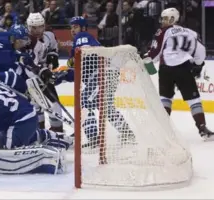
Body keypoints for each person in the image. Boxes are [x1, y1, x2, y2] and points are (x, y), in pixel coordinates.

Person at [59, 16, 135, 146]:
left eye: (75, 26)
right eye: (71, 27)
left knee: (84, 102)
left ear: (83, 28)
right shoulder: (82, 41)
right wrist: (62, 75)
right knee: (106, 107)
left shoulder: (82, 36)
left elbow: (85, 52)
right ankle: (127, 133)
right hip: (109, 74)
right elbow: (76, 71)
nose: (73, 29)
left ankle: (93, 137)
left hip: (100, 74)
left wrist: (69, 66)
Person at [144, 7, 214, 141]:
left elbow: (155, 52)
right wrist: (198, 64)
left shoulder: (162, 32)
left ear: (172, 19)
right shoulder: (190, 32)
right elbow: (200, 51)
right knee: (194, 100)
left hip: (166, 69)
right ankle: (202, 128)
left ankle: (162, 131)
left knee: (165, 98)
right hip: (184, 69)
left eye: (165, 18)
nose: (163, 21)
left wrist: (147, 58)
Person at [24, 12, 63, 133]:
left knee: (54, 104)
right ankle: (38, 131)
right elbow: (29, 62)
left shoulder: (49, 35)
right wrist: (41, 70)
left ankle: (57, 130)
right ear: (29, 27)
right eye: (34, 27)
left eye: (40, 26)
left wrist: (53, 55)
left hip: (45, 74)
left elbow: (53, 47)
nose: (37, 30)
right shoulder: (26, 40)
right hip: (30, 76)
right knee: (35, 105)